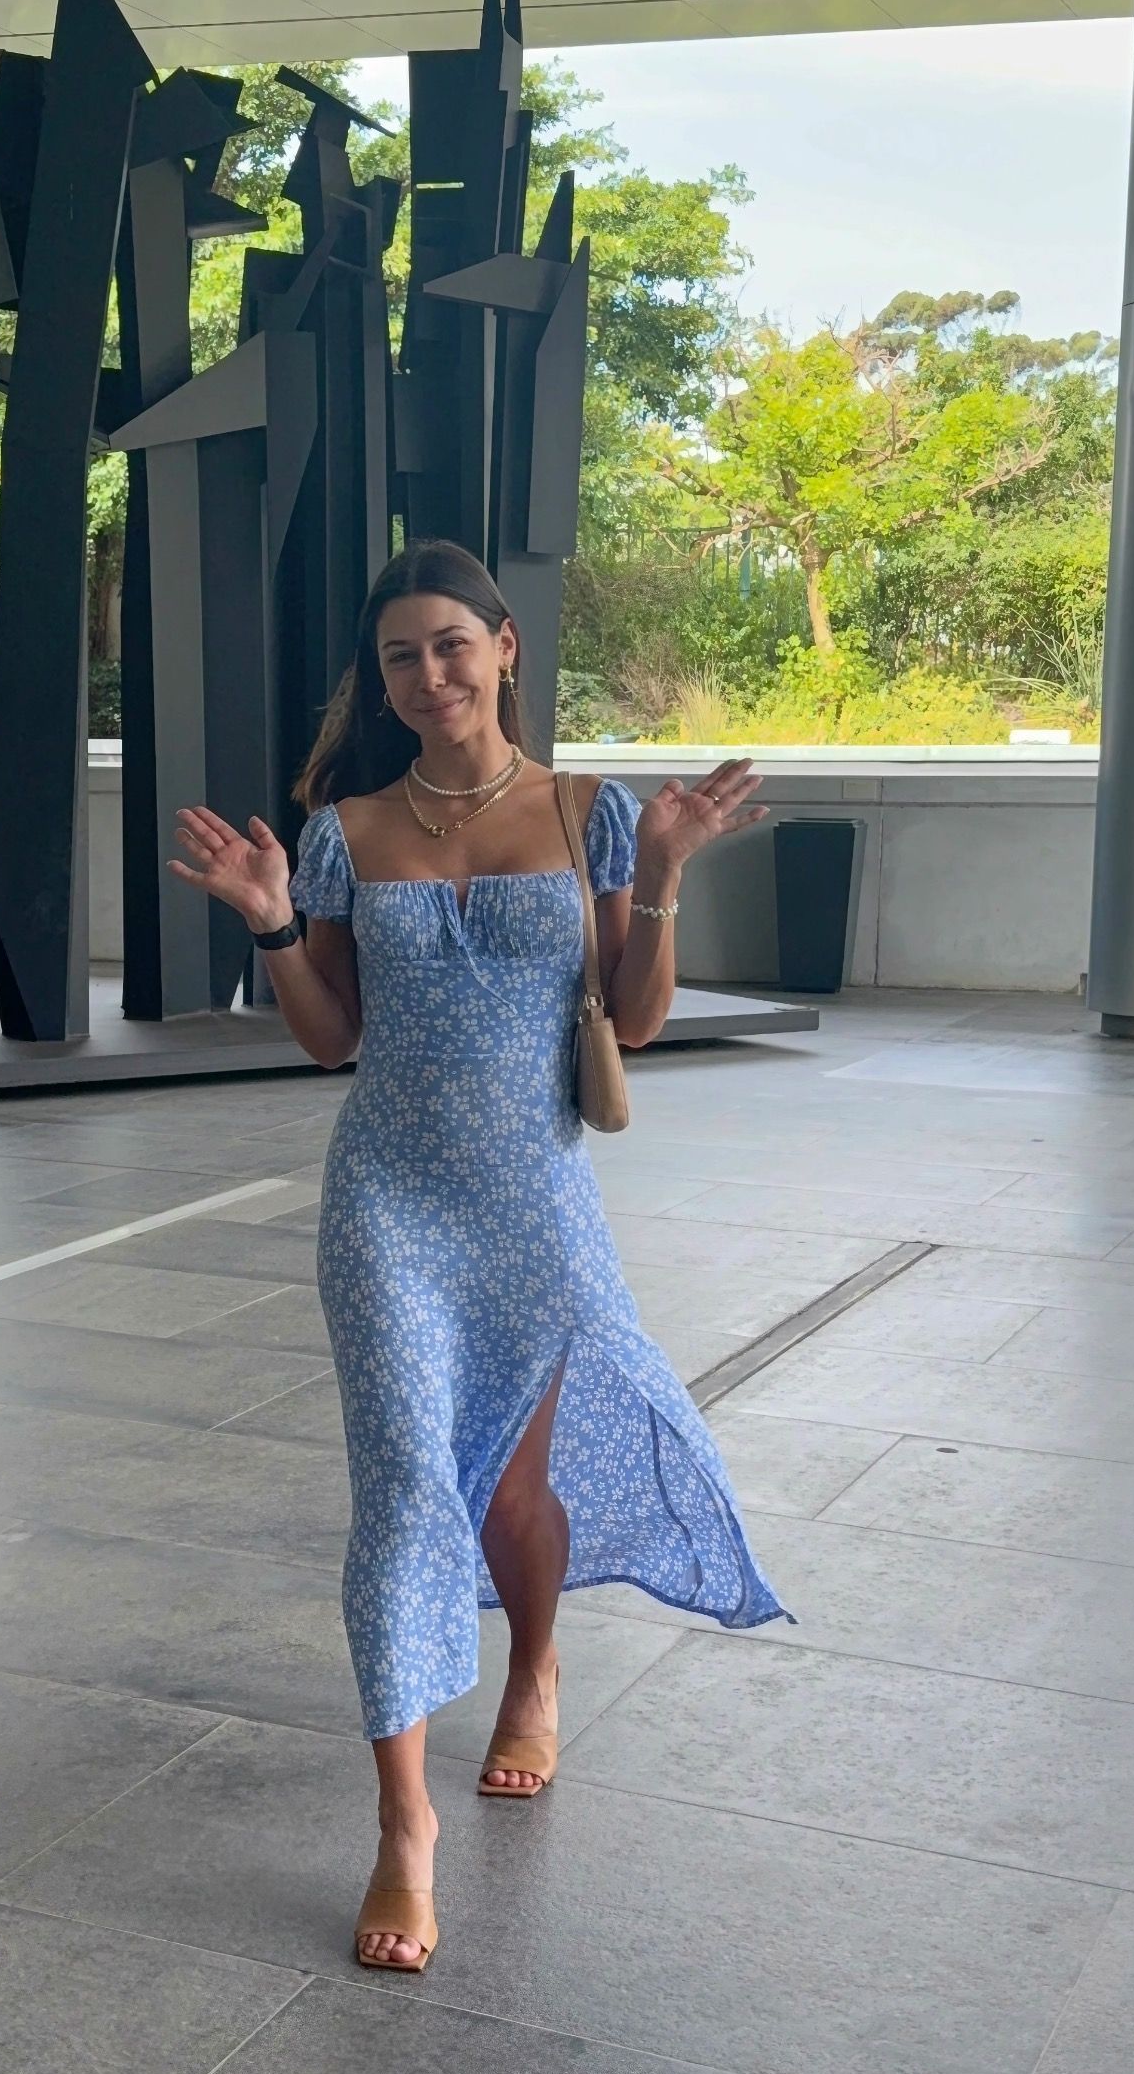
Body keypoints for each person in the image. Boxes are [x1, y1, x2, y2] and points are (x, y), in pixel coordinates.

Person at [169, 537, 791, 1975]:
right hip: (387, 1197)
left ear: (505, 646)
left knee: (513, 1485)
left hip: (537, 1202)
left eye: (452, 643)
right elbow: (334, 1038)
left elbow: (629, 1021)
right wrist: (271, 923)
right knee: (399, 1490)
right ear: (381, 681)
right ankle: (402, 1826)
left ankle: (535, 1667)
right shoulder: (345, 829)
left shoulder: (592, 813)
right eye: (401, 655)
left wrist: (677, 872)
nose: (429, 673)